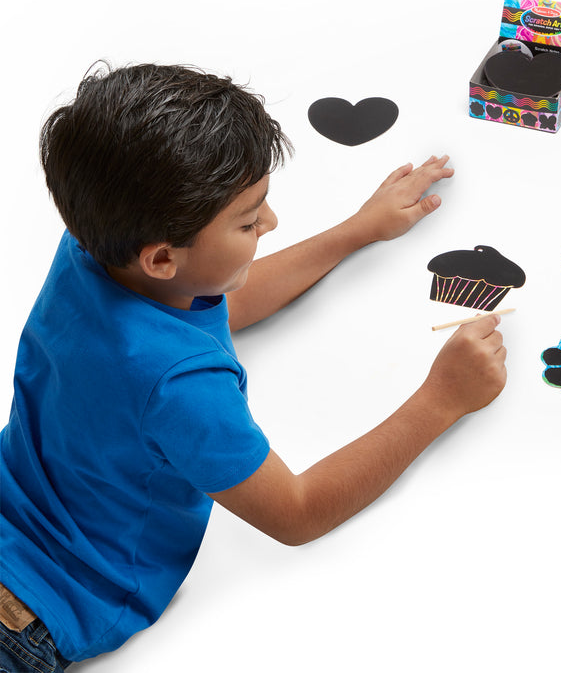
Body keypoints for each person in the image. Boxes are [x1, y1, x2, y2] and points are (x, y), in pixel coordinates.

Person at [0, 63, 508, 669]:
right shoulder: (182, 387)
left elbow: (222, 298)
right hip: (31, 613)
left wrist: (357, 230)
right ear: (161, 256)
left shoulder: (90, 252)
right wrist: (442, 398)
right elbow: (296, 511)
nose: (270, 224)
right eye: (248, 220)